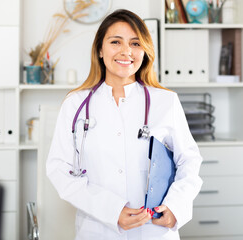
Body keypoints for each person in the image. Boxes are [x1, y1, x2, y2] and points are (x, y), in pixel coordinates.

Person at [46, 9, 202, 240]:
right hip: (98, 230)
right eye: (115, 42)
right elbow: (59, 170)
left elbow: (189, 161)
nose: (126, 51)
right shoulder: (75, 104)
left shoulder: (165, 101)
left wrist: (176, 207)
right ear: (100, 49)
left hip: (154, 229)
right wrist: (111, 210)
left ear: (145, 51)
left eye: (135, 43)